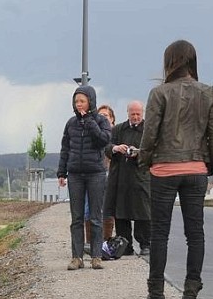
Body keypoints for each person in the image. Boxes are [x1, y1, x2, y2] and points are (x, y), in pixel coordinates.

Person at [136, 40, 213, 299]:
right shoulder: (207, 92)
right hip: (196, 169)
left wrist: (144, 159)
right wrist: (209, 163)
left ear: (169, 61)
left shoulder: (159, 93)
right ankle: (190, 295)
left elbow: (150, 134)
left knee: (159, 233)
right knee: (195, 234)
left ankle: (157, 297)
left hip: (164, 169)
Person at [57, 85, 112, 270]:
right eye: (76, 101)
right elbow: (65, 148)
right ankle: (77, 257)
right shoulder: (71, 123)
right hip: (75, 174)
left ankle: (96, 256)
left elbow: (104, 140)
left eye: (82, 101)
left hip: (96, 172)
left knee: (96, 217)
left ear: (90, 102)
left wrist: (89, 122)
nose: (78, 104)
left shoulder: (100, 121)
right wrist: (61, 172)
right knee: (76, 218)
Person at [104, 101, 151, 256]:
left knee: (143, 213)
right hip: (121, 178)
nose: (136, 117)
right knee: (121, 213)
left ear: (142, 113)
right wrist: (116, 148)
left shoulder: (148, 130)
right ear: (127, 113)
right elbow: (107, 147)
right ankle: (126, 245)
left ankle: (145, 244)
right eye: (133, 114)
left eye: (138, 114)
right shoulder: (118, 129)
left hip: (141, 177)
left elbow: (154, 150)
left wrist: (139, 153)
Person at [97, 104, 117, 241]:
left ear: (112, 119)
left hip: (112, 174)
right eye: (100, 115)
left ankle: (107, 239)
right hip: (95, 174)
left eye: (106, 115)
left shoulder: (117, 134)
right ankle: (91, 242)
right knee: (92, 209)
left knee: (108, 208)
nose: (103, 118)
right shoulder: (94, 133)